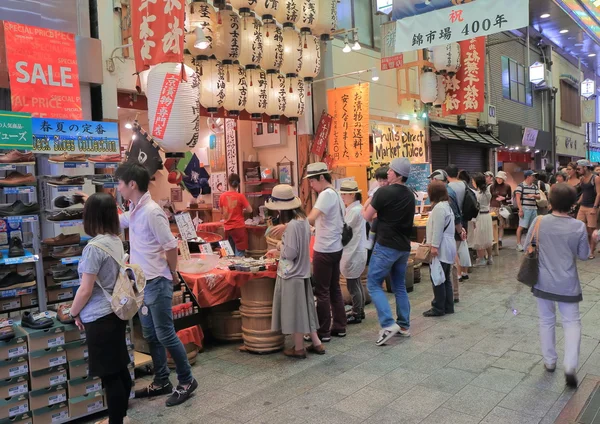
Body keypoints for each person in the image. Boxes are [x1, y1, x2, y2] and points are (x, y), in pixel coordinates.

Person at [115, 163, 197, 406]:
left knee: (166, 334)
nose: (118, 186)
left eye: (120, 182)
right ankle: (162, 380)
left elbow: (171, 246)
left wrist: (171, 272)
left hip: (156, 282)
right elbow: (120, 221)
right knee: (151, 334)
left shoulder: (152, 211)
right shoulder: (136, 209)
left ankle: (186, 380)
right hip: (141, 283)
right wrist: (93, 203)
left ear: (132, 185)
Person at [68, 193, 132, 424]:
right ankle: (120, 416)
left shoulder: (93, 248)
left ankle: (116, 421)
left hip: (99, 316)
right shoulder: (115, 240)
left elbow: (85, 290)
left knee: (110, 375)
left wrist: (73, 312)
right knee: (119, 369)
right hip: (116, 311)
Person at [525, 183, 589, 388]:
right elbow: (584, 255)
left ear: (550, 201)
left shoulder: (539, 221)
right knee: (572, 323)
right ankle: (570, 365)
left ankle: (550, 361)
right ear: (572, 204)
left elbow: (528, 247)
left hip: (543, 281)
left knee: (546, 321)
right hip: (568, 283)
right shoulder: (578, 226)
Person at [265, 185, 324, 359]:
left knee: (296, 312)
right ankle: (317, 343)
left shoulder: (291, 226)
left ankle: (298, 348)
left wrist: (278, 245)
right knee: (305, 310)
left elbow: (290, 253)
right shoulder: (303, 220)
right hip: (303, 272)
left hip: (291, 274)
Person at [363, 158, 415, 345]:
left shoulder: (383, 192)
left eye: (392, 170)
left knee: (373, 283)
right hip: (403, 247)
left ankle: (387, 324)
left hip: (386, 245)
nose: (388, 173)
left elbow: (366, 215)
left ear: (399, 175)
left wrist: (371, 201)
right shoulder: (410, 195)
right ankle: (404, 325)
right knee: (399, 285)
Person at [305, 162, 347, 342]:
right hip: (336, 247)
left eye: (312, 182)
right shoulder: (337, 194)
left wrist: (293, 226)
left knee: (322, 291)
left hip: (324, 248)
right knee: (334, 288)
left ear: (322, 178)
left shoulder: (325, 195)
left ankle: (323, 332)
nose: (311, 186)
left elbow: (311, 219)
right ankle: (339, 326)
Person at [422, 181, 456, 317]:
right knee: (445, 277)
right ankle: (448, 306)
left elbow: (437, 229)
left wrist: (434, 246)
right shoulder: (446, 206)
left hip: (441, 246)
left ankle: (438, 307)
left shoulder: (439, 209)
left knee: (437, 277)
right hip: (448, 245)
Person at [339, 181, 367, 324]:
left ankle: (357, 313)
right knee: (356, 282)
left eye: (345, 194)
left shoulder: (354, 211)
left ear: (353, 194)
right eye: (342, 193)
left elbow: (344, 229)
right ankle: (360, 311)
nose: (342, 196)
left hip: (353, 252)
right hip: (357, 251)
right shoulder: (357, 208)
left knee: (352, 284)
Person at [446, 165, 469, 299]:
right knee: (463, 246)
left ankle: (458, 273)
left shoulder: (449, 188)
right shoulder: (464, 185)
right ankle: (465, 271)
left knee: (453, 250)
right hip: (464, 218)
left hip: (454, 221)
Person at [219, 173, 253, 257]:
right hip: (239, 228)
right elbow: (250, 210)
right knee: (239, 254)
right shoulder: (240, 196)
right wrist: (242, 209)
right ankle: (238, 270)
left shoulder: (222, 196)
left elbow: (221, 211)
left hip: (227, 228)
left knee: (228, 254)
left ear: (228, 183)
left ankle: (230, 270)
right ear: (238, 184)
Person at [575, 160, 600, 259]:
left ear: (585, 167)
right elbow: (584, 192)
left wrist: (595, 207)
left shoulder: (596, 178)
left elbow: (599, 193)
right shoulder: (582, 178)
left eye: (579, 168)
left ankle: (591, 250)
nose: (577, 170)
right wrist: (577, 203)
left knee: (591, 229)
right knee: (580, 227)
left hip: (591, 206)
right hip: (583, 206)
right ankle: (588, 247)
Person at [471, 173, 494, 266]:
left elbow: (475, 207)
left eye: (473, 181)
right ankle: (490, 257)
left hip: (480, 216)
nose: (472, 183)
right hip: (487, 216)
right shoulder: (487, 192)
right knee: (487, 238)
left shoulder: (477, 194)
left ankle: (481, 259)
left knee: (479, 238)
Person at [515, 170, 541, 252]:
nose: (534, 178)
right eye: (533, 176)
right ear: (528, 177)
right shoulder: (520, 186)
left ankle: (532, 244)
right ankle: (518, 244)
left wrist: (533, 195)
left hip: (533, 208)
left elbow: (539, 196)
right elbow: (517, 199)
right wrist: (520, 209)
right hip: (525, 209)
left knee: (533, 227)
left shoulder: (535, 186)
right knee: (521, 226)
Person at [490, 171, 512, 248]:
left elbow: (510, 197)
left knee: (501, 225)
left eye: (500, 178)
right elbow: (490, 197)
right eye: (497, 178)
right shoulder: (492, 186)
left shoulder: (507, 186)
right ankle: (493, 240)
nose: (499, 180)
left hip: (502, 207)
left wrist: (504, 198)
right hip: (493, 207)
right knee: (492, 224)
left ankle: (499, 240)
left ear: (503, 179)